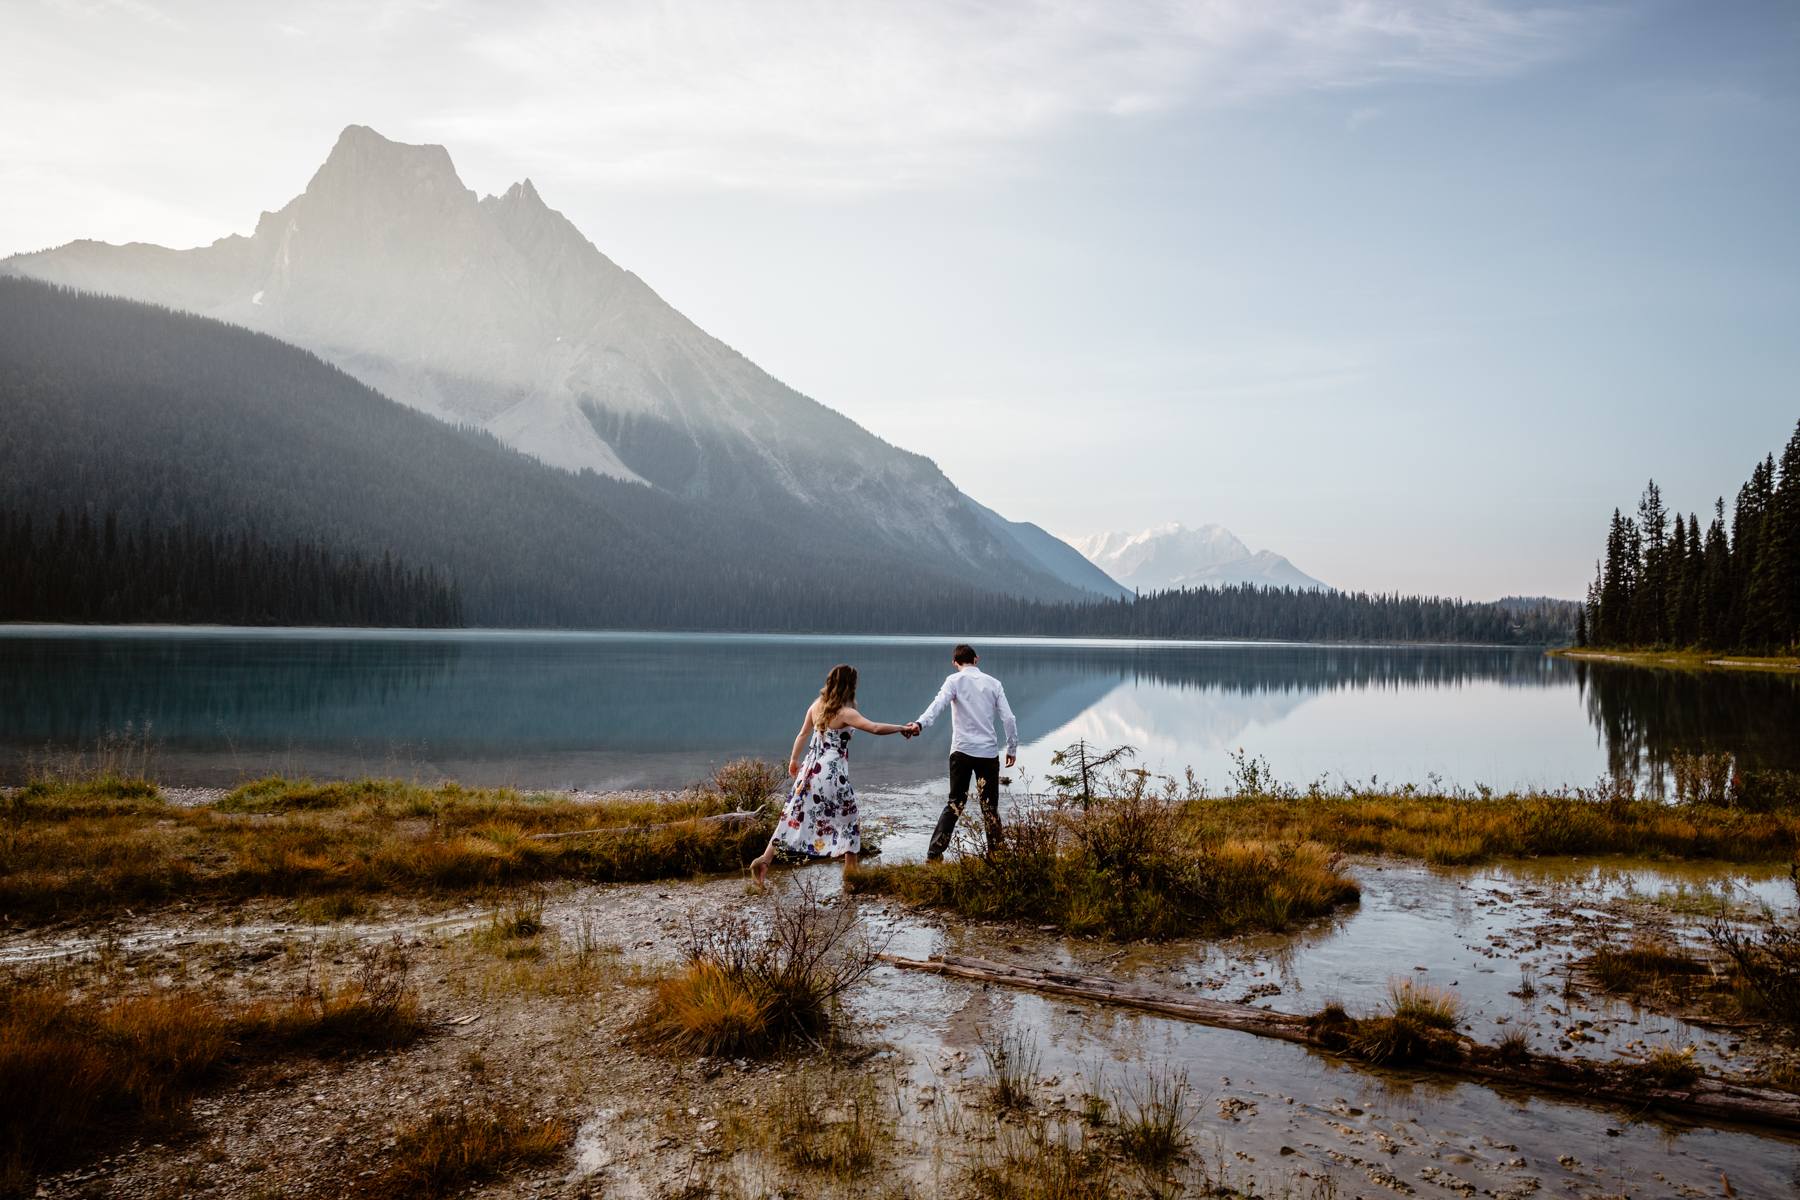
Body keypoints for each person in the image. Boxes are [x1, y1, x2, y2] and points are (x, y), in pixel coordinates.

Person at [750, 664, 913, 887]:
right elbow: (874, 728)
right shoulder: (845, 713)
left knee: (793, 815)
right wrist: (901, 727)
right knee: (850, 817)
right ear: (850, 686)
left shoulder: (816, 706)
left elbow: (802, 734)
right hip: (831, 773)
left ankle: (764, 860)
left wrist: (794, 760)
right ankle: (851, 872)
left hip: (809, 770)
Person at [904, 643, 1017, 860]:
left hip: (961, 751)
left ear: (955, 663)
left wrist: (919, 724)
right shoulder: (994, 684)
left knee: (955, 803)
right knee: (990, 807)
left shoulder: (954, 681)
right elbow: (1009, 718)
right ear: (976, 659)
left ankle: (934, 853)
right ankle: (996, 853)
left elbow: (938, 705)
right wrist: (1011, 747)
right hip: (988, 753)